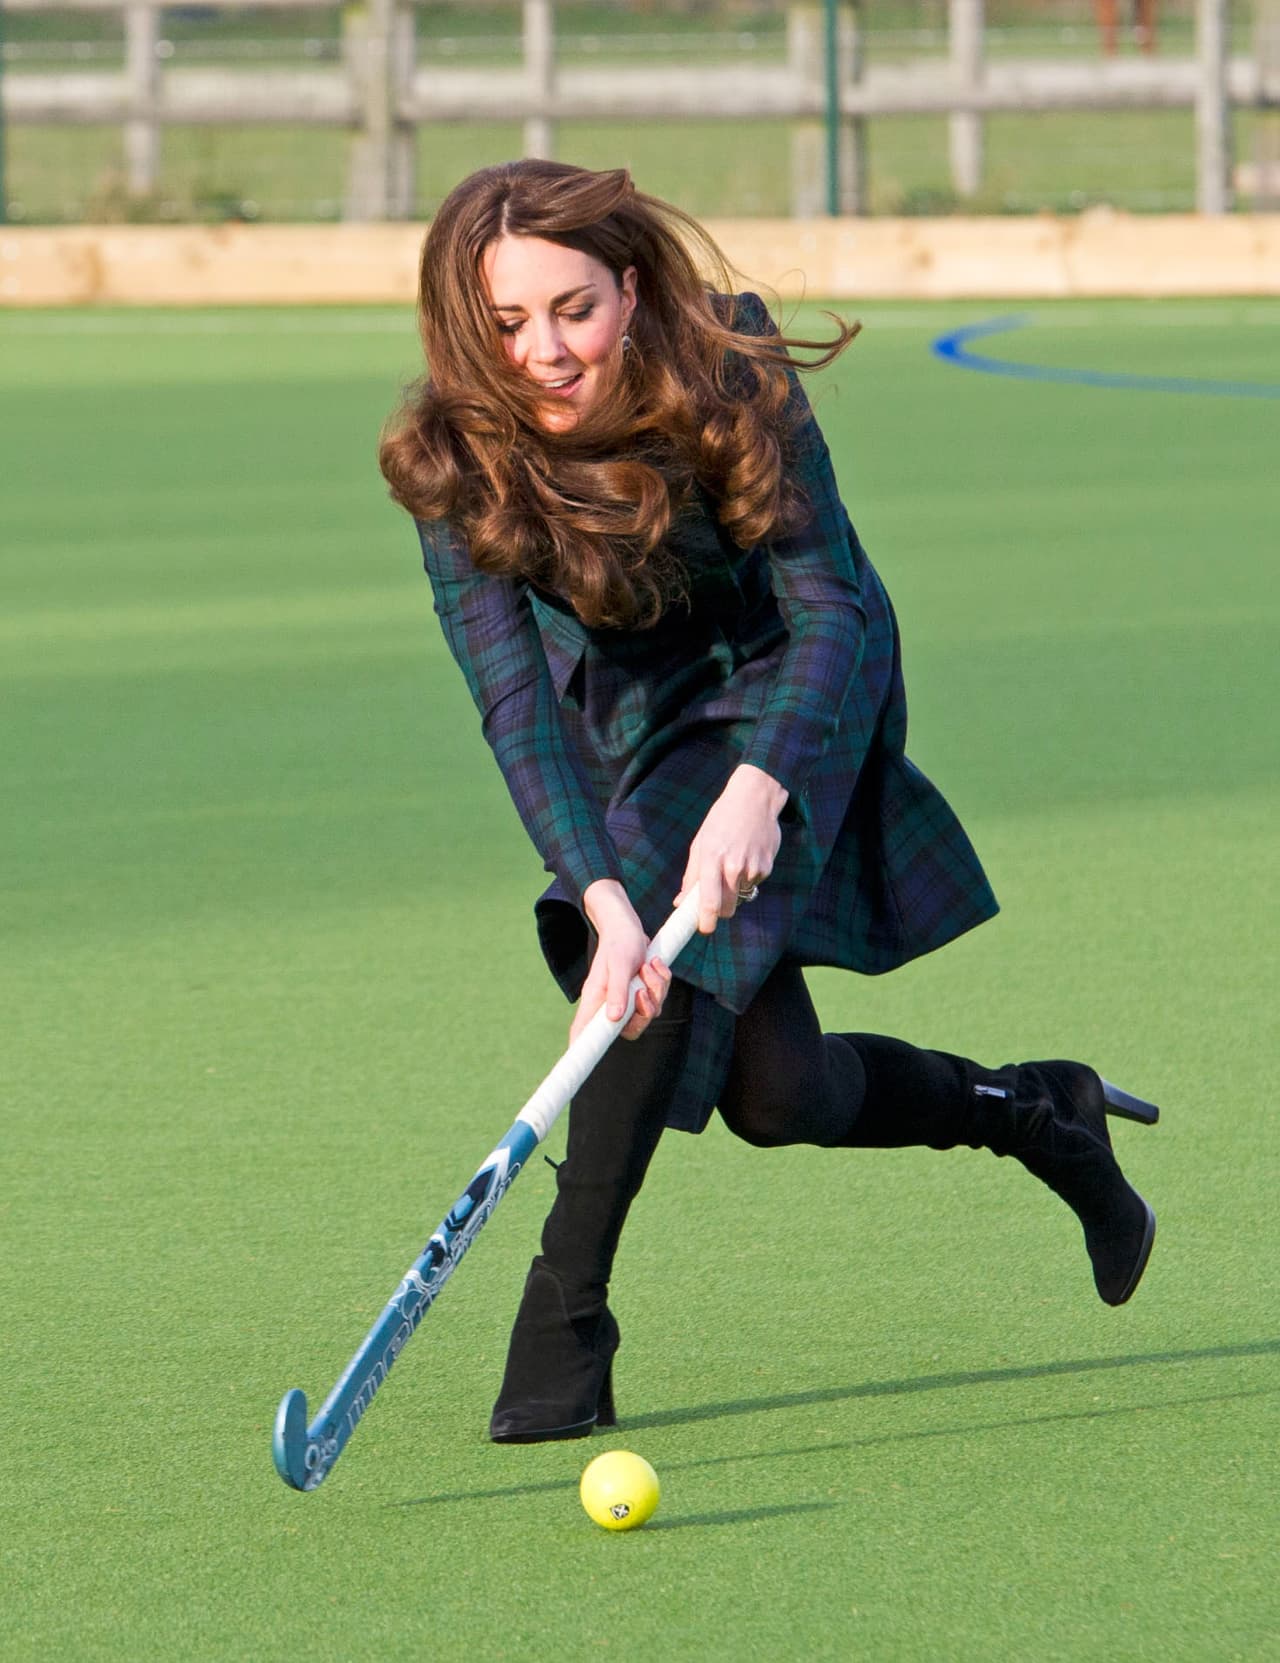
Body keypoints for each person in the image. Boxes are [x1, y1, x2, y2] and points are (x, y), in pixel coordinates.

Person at [379, 160, 1158, 1445]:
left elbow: (827, 609)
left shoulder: (727, 375)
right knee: (778, 1093)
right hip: (634, 709)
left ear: (629, 288)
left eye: (572, 308)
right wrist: (603, 896)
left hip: (801, 672)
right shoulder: (455, 460)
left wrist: (758, 787)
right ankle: (1036, 1112)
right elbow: (515, 704)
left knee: (661, 973)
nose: (545, 352)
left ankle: (563, 1316)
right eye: (506, 325)